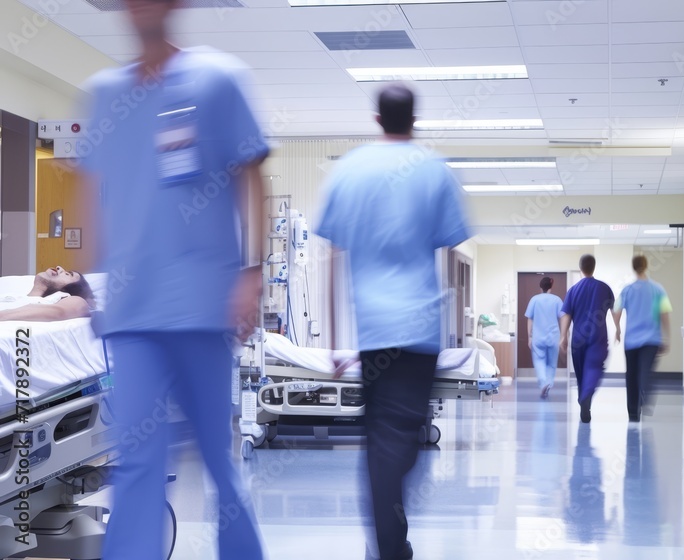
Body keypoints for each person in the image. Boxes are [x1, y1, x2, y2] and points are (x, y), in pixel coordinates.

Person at [79, 0, 268, 557]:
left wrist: (251, 274)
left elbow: (252, 176)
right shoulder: (105, 94)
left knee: (216, 457)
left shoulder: (217, 79)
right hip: (133, 313)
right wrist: (90, 287)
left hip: (202, 309)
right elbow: (97, 196)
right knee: (138, 462)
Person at [315, 83, 470, 560]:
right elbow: (449, 253)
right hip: (420, 331)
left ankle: (388, 536)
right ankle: (389, 543)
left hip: (374, 334)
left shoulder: (349, 170)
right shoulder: (434, 169)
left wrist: (336, 340)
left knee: (386, 438)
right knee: (398, 443)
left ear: (378, 119)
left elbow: (333, 259)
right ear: (414, 119)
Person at [612, 255, 672, 422]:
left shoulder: (627, 289)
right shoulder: (658, 289)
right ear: (646, 267)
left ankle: (633, 412)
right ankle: (644, 396)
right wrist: (667, 337)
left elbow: (616, 311)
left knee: (631, 375)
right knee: (645, 372)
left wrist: (617, 329)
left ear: (633, 267)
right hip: (652, 340)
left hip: (631, 340)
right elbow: (664, 313)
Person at [560, 255, 615, 423]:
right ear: (594, 266)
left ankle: (584, 402)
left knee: (581, 374)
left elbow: (566, 314)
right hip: (597, 337)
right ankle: (585, 397)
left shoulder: (573, 290)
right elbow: (615, 309)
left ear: (581, 267)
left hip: (578, 338)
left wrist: (563, 336)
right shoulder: (604, 288)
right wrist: (618, 328)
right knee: (593, 369)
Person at [0, 267, 94, 322]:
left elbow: (60, 312)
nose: (59, 267)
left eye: (67, 274)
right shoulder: (11, 297)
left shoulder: (74, 300)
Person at [525, 276, 563, 399]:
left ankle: (543, 383)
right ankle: (548, 383)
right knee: (552, 364)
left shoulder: (534, 300)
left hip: (538, 336)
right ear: (551, 287)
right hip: (553, 337)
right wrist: (564, 335)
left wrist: (529, 337)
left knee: (539, 361)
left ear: (540, 287)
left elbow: (530, 318)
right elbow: (563, 318)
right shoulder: (557, 300)